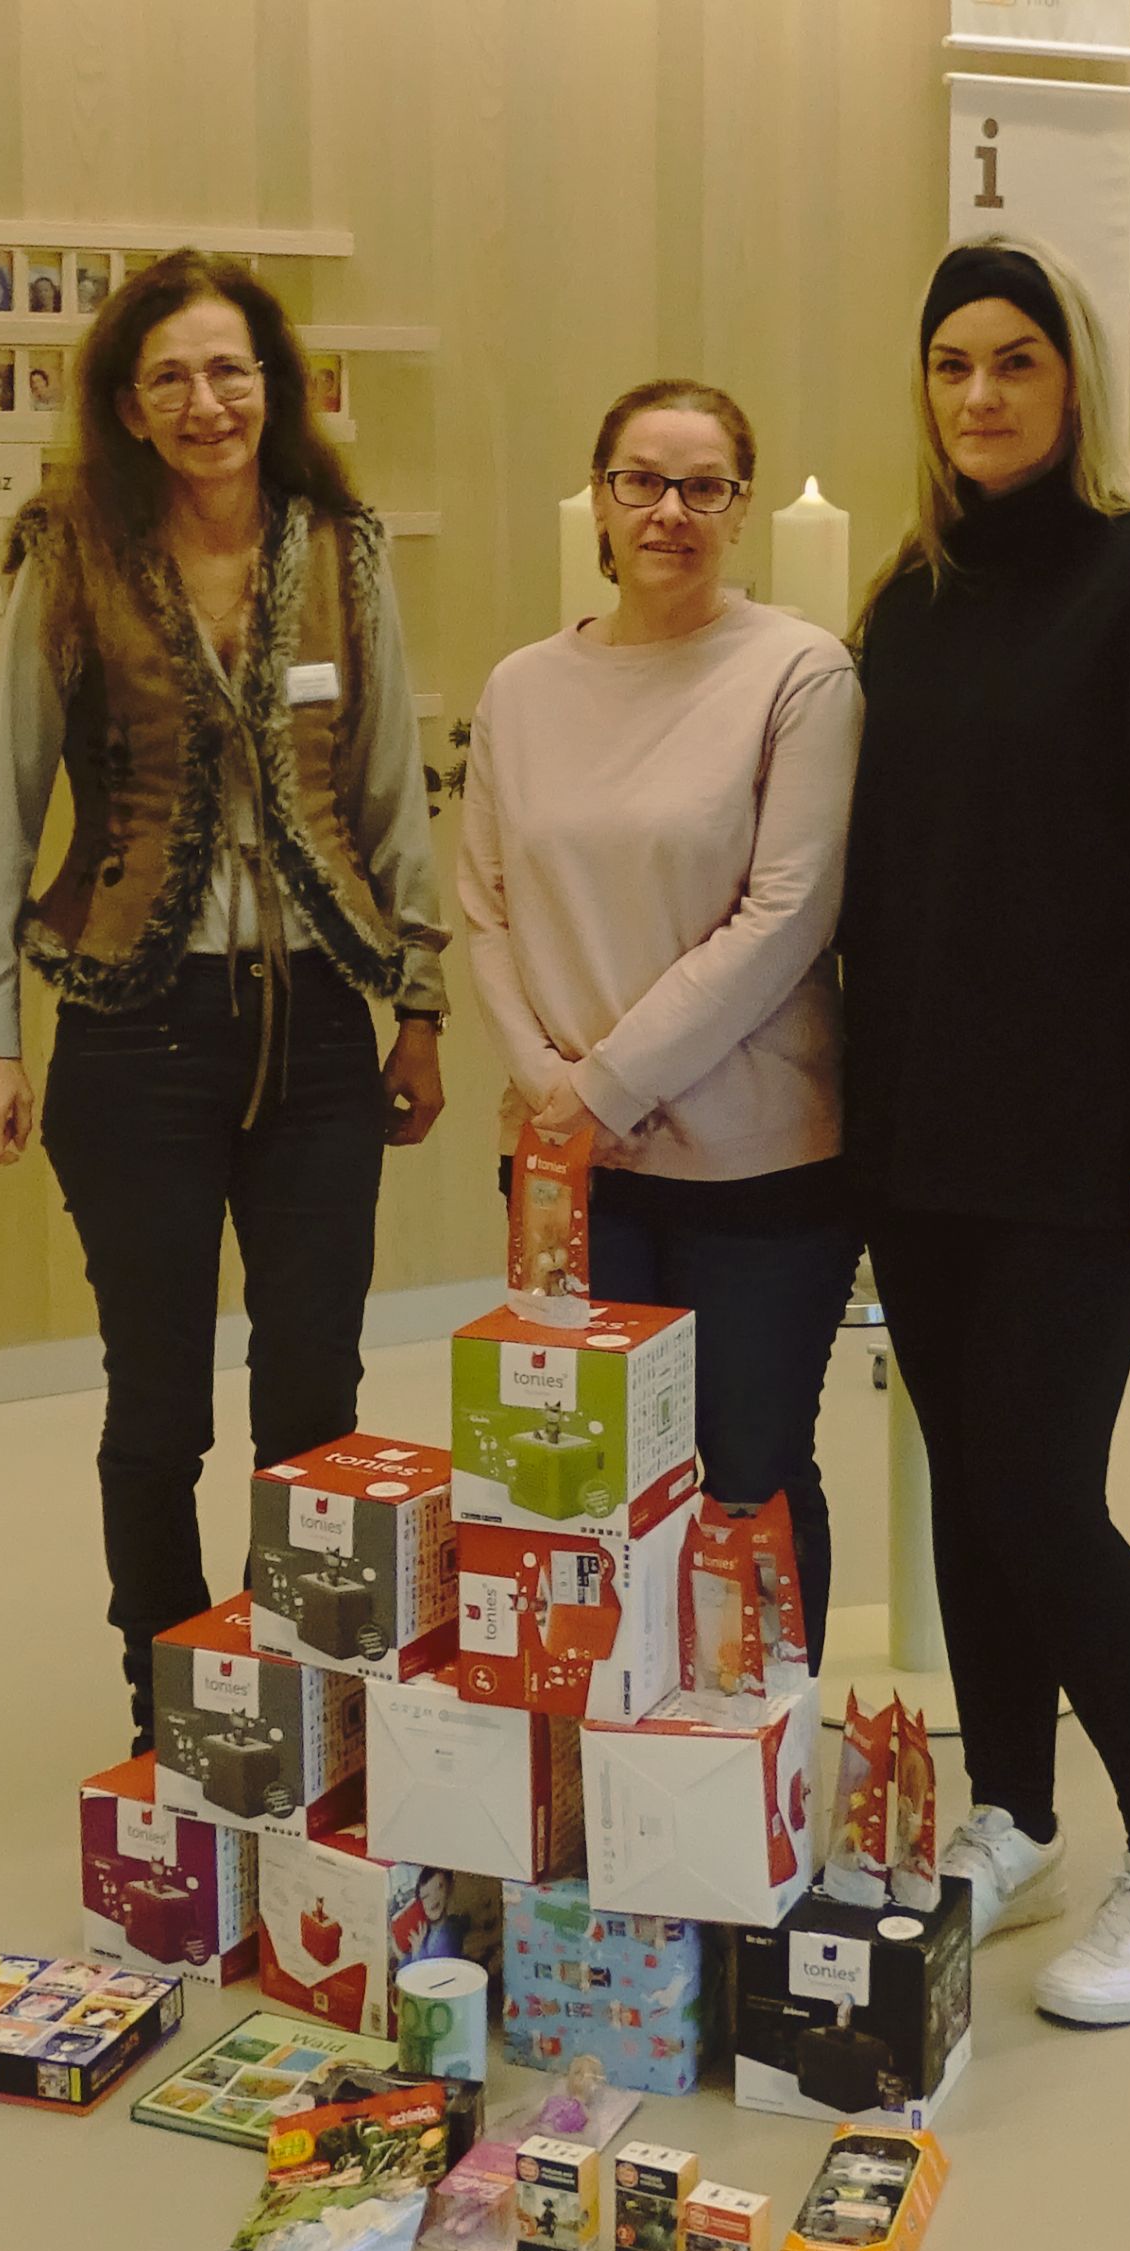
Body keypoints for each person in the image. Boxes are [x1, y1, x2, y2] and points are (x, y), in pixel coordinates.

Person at [841, 237, 1130, 2028]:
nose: (984, 395)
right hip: (920, 1127)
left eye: (1017, 361)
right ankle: (1011, 1813)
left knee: (1035, 1489)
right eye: (953, 366)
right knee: (961, 1485)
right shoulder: (905, 597)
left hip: (1090, 1148)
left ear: (1074, 379)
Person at [0, 249, 449, 1752]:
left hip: (314, 1026)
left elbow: (388, 790)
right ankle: (173, 1703)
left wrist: (417, 1006)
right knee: (158, 1399)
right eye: (169, 375)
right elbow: (3, 801)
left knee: (314, 1388)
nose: (205, 400)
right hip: (136, 1031)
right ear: (128, 403)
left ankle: (301, 1692)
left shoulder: (344, 551)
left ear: (272, 387)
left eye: (229, 369)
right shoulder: (73, 548)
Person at [458, 379, 860, 1668]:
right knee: (581, 1496)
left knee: (747, 1475)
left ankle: (762, 1784)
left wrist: (604, 1083)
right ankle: (608, 1775)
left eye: (704, 487)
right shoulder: (523, 688)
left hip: (753, 1163)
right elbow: (485, 910)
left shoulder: (799, 670)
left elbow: (787, 915)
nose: (671, 512)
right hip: (572, 1172)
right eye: (643, 480)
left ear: (740, 508)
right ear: (601, 498)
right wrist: (550, 1089)